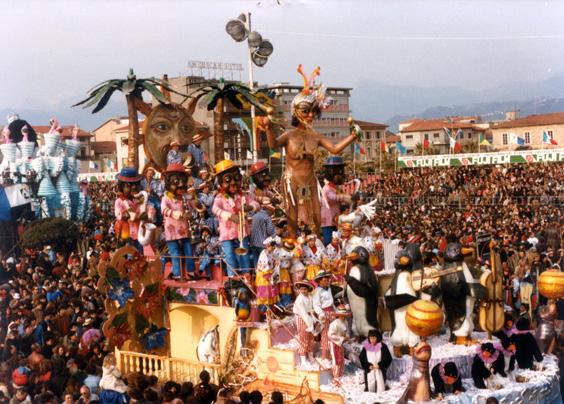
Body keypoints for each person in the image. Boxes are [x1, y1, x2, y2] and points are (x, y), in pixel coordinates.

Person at [262, 65, 359, 238]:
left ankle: (316, 249)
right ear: (295, 112)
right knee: (292, 218)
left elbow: (335, 149)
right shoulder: (289, 135)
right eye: (305, 111)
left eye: (313, 111)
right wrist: (268, 127)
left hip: (311, 181)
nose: (310, 115)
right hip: (292, 180)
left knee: (315, 218)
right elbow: (273, 145)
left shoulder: (316, 136)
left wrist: (352, 136)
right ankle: (293, 247)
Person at [212, 160, 259, 277]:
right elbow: (214, 209)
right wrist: (228, 216)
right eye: (228, 180)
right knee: (230, 257)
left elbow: (256, 203)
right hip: (227, 235)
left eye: (236, 179)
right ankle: (232, 279)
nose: (233, 183)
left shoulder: (243, 196)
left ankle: (247, 277)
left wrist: (251, 207)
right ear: (221, 182)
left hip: (242, 233)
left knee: (244, 257)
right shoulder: (220, 197)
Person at [160, 163, 196, 279]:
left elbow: (193, 207)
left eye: (182, 182)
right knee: (175, 253)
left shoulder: (185, 197)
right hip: (171, 231)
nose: (181, 185)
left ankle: (191, 272)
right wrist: (175, 214)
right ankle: (177, 274)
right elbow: (164, 210)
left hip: (184, 229)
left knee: (189, 251)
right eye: (176, 182)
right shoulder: (166, 197)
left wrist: (194, 205)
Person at [320, 156, 351, 246]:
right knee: (329, 244)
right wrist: (344, 197)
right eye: (339, 172)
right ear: (333, 173)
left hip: (335, 221)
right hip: (328, 222)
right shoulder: (327, 188)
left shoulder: (335, 188)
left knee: (337, 243)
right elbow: (333, 197)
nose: (341, 176)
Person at [312, 271, 335, 362]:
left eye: (327, 280)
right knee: (325, 334)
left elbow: (331, 302)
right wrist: (321, 314)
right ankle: (324, 355)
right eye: (325, 280)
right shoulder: (317, 291)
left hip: (331, 312)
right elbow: (316, 305)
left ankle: (332, 352)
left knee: (332, 332)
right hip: (324, 313)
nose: (327, 281)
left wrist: (335, 311)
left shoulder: (328, 288)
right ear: (319, 281)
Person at [293, 280, 316, 366]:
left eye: (305, 289)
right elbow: (303, 313)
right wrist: (310, 325)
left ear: (308, 289)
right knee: (303, 337)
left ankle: (310, 354)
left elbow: (310, 310)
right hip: (301, 318)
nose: (303, 291)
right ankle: (303, 358)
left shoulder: (309, 297)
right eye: (301, 289)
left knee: (310, 337)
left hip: (308, 317)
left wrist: (313, 320)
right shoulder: (299, 300)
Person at [255, 237, 280, 313]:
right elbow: (265, 268)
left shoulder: (271, 253)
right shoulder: (264, 254)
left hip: (270, 275)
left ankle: (270, 312)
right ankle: (264, 312)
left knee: (270, 294)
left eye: (274, 247)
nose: (273, 248)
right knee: (265, 294)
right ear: (268, 246)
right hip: (264, 276)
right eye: (272, 247)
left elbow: (275, 261)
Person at [327, 305, 351, 386]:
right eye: (341, 315)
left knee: (341, 359)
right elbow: (330, 335)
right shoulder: (334, 324)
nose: (342, 317)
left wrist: (347, 336)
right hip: (334, 343)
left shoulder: (346, 322)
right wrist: (341, 338)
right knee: (336, 360)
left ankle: (340, 375)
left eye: (344, 315)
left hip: (340, 343)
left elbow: (347, 332)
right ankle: (336, 376)